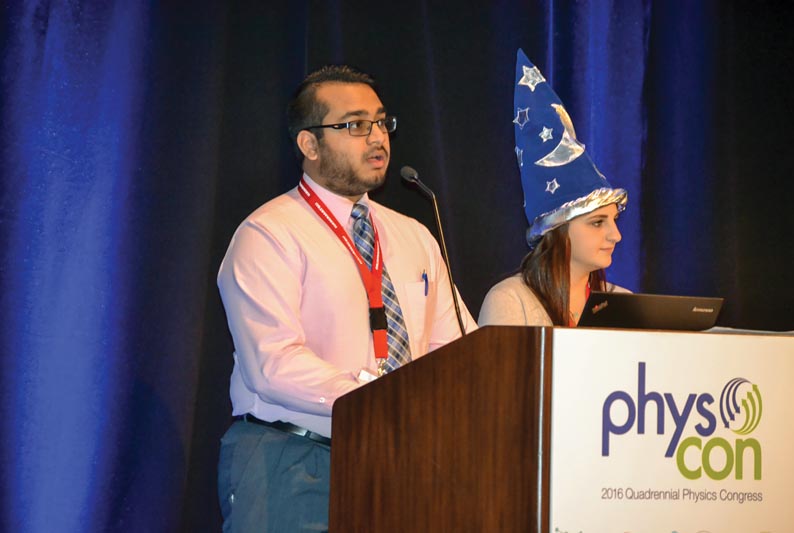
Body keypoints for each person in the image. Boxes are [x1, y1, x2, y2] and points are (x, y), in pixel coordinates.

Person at [216, 64, 476, 533]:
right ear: (309, 145)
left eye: (381, 122)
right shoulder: (269, 234)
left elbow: (456, 349)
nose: (377, 137)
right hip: (294, 457)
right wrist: (382, 398)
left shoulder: (413, 235)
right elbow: (273, 364)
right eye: (355, 125)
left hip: (405, 462)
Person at [479, 49, 629, 327]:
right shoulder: (511, 301)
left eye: (614, 220)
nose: (616, 235)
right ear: (557, 229)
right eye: (597, 222)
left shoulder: (624, 304)